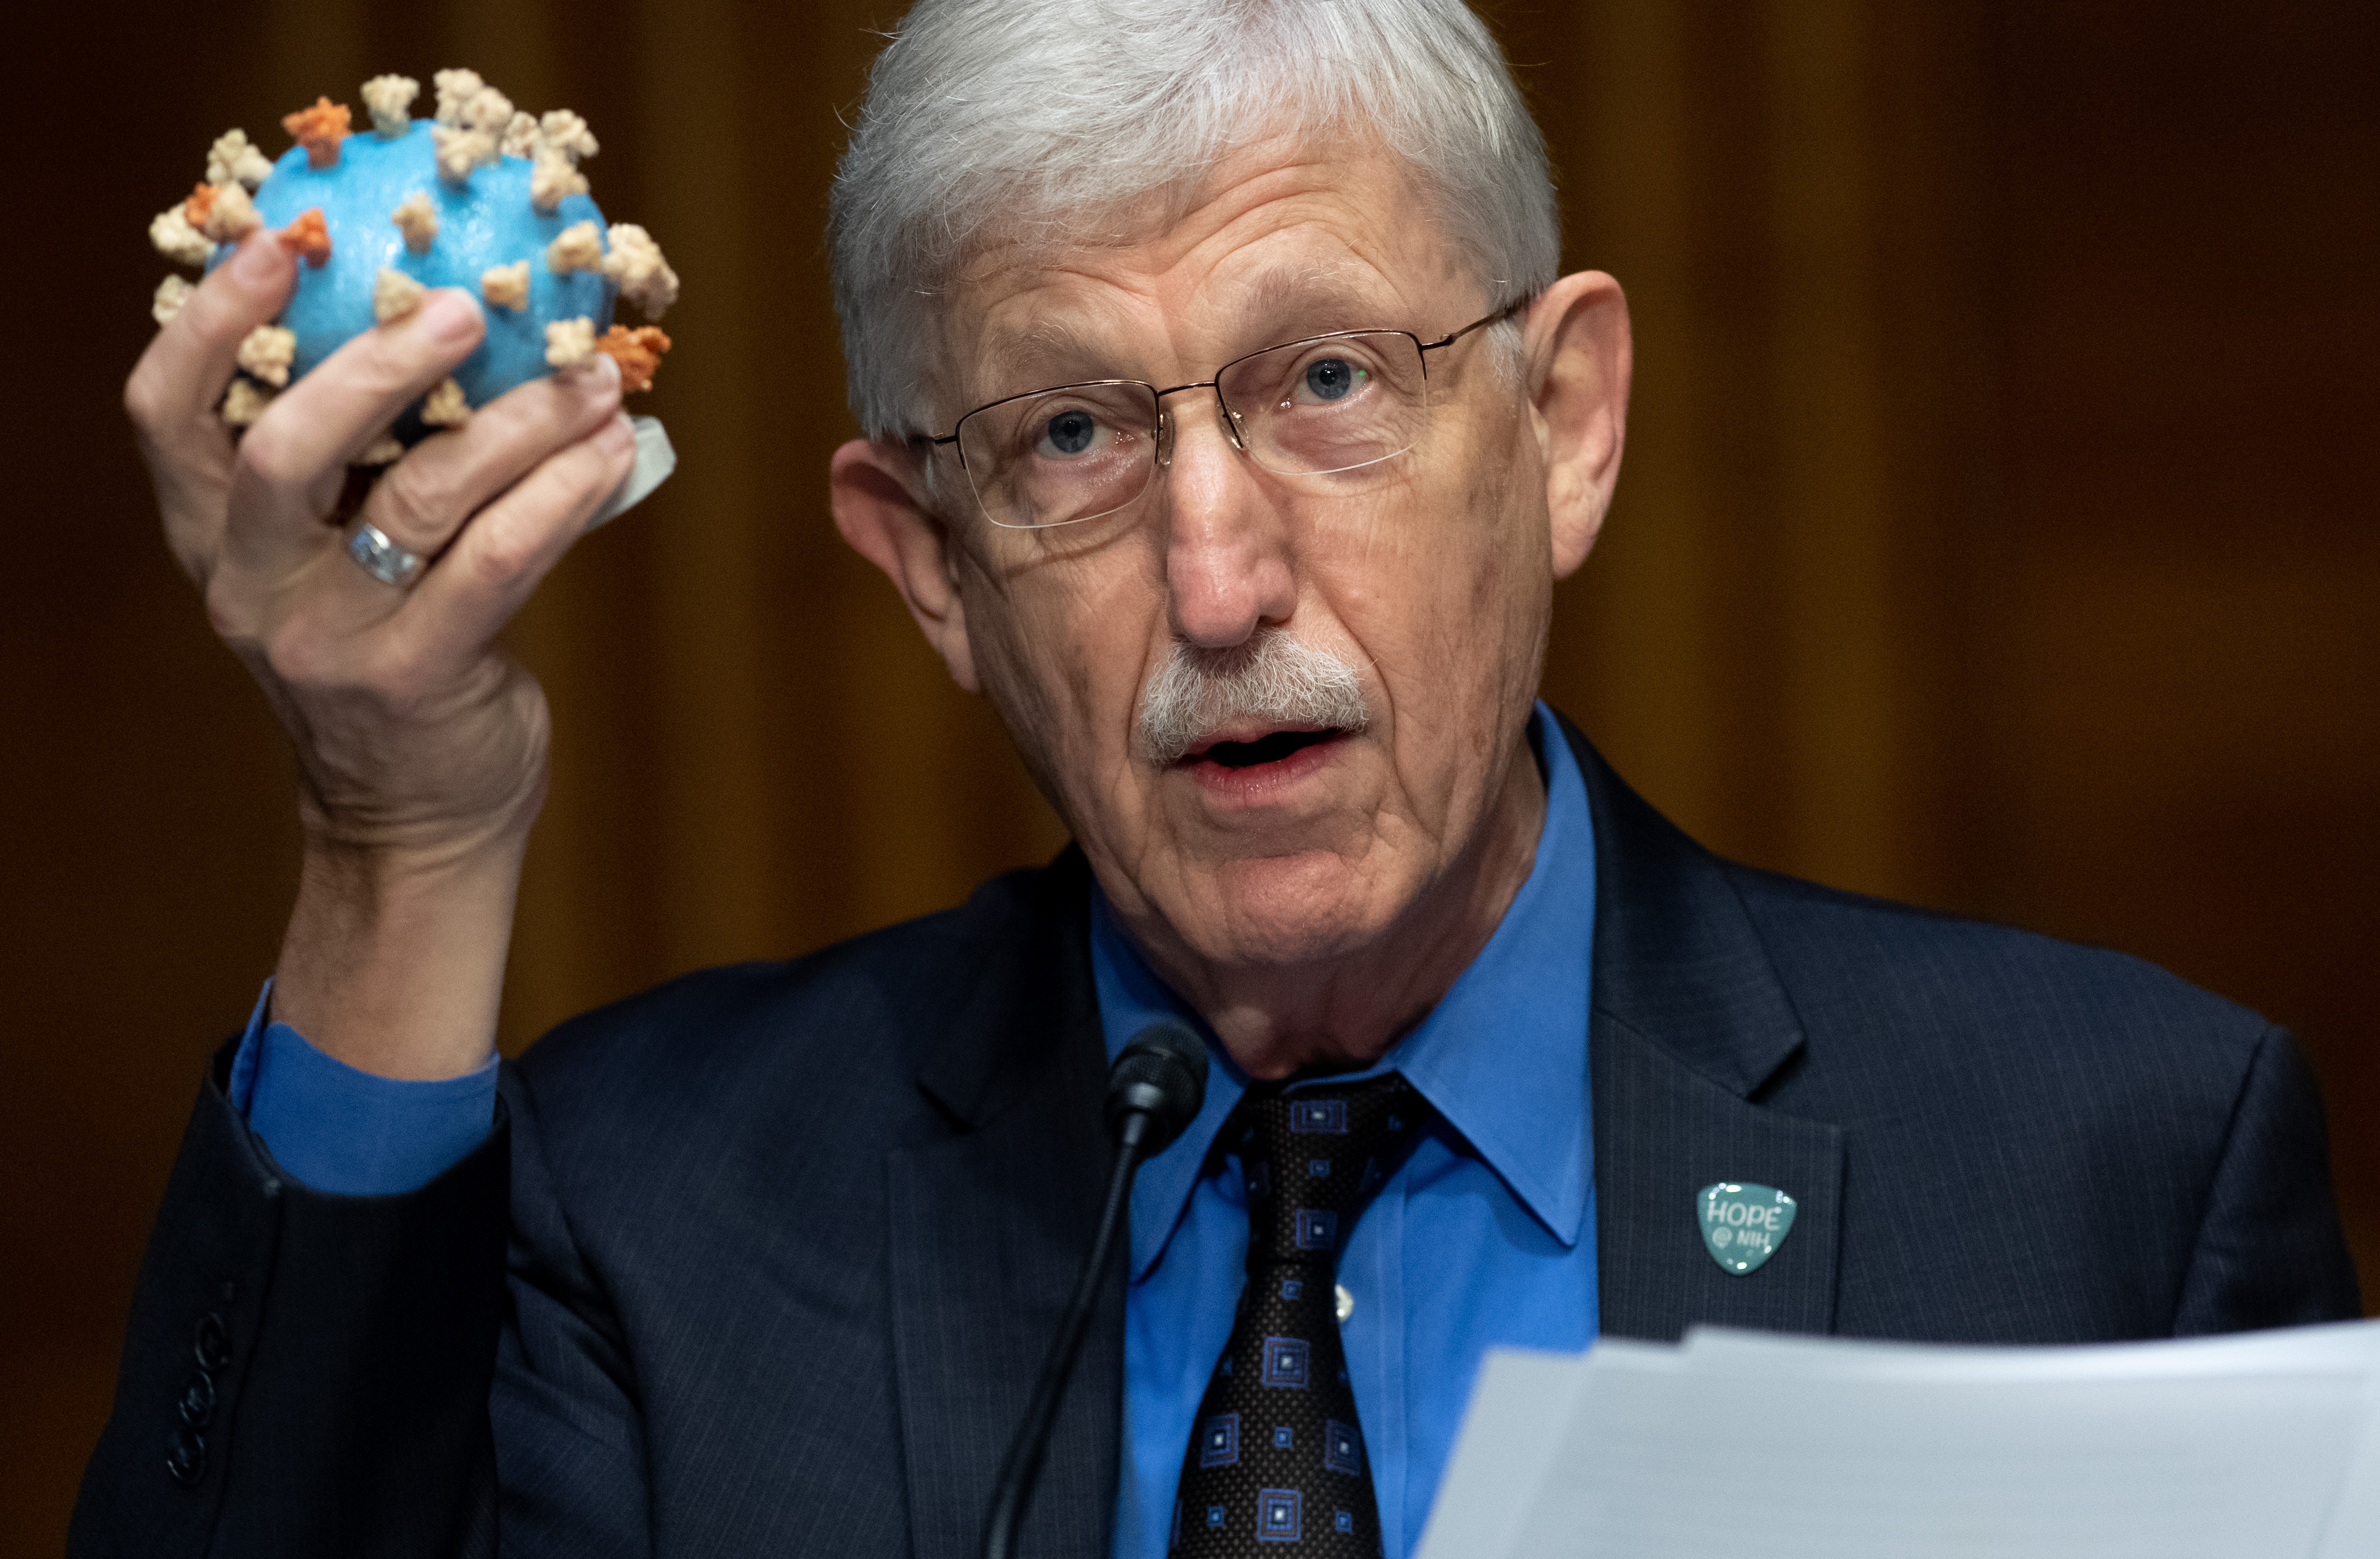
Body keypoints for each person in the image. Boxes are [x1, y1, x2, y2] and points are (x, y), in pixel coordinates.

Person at [73, 1, 2358, 1555]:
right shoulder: (662, 1222)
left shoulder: (2104, 1175)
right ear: (933, 569)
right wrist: (403, 831)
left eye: (1331, 378)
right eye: (1069, 434)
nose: (1219, 567)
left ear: (1560, 424)